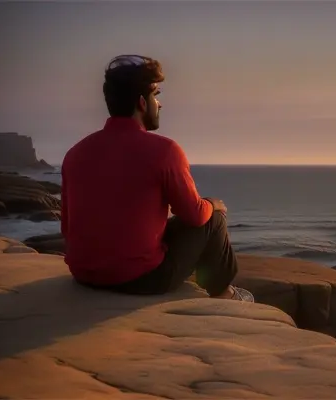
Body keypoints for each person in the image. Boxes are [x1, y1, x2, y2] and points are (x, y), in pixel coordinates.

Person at [60, 54, 252, 302]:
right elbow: (194, 215)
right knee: (212, 218)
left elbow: (66, 226)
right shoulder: (164, 150)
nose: (159, 104)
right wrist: (213, 204)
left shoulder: (76, 152)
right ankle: (224, 295)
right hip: (141, 280)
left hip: (83, 274)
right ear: (142, 103)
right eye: (156, 95)